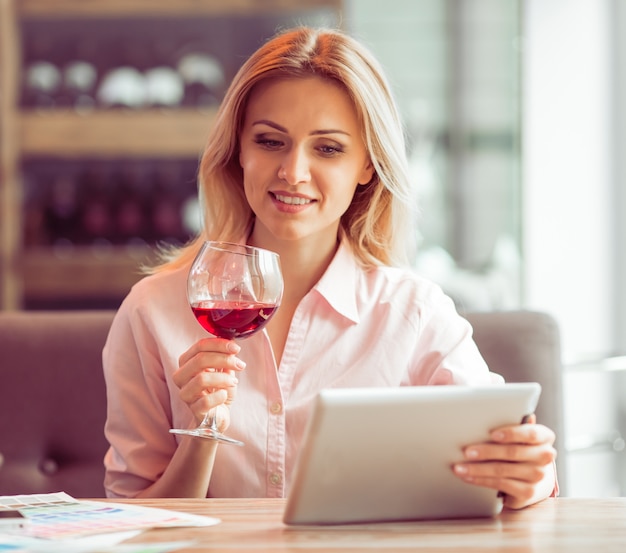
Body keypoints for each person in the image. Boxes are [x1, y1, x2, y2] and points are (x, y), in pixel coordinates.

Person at [103, 26, 557, 509]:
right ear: (239, 151)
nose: (293, 172)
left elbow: (509, 465)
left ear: (367, 164)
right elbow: (132, 519)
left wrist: (530, 477)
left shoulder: (413, 312)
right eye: (270, 141)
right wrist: (204, 430)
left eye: (328, 148)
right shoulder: (153, 311)